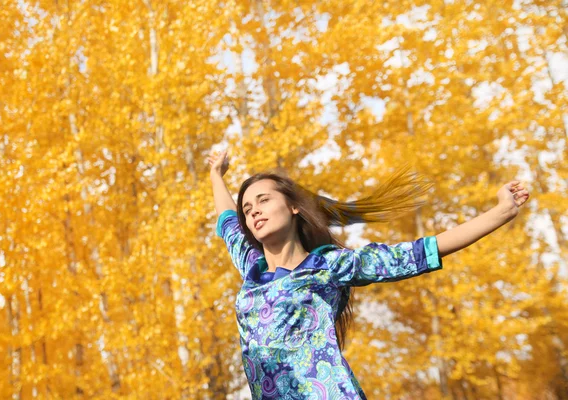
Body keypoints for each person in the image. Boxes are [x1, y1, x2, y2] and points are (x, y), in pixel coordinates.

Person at [206, 149, 530, 399]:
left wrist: (502, 211)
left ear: (293, 207)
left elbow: (419, 253)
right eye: (247, 209)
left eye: (263, 200)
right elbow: (225, 218)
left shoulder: (330, 266)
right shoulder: (251, 266)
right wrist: (215, 173)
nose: (254, 211)